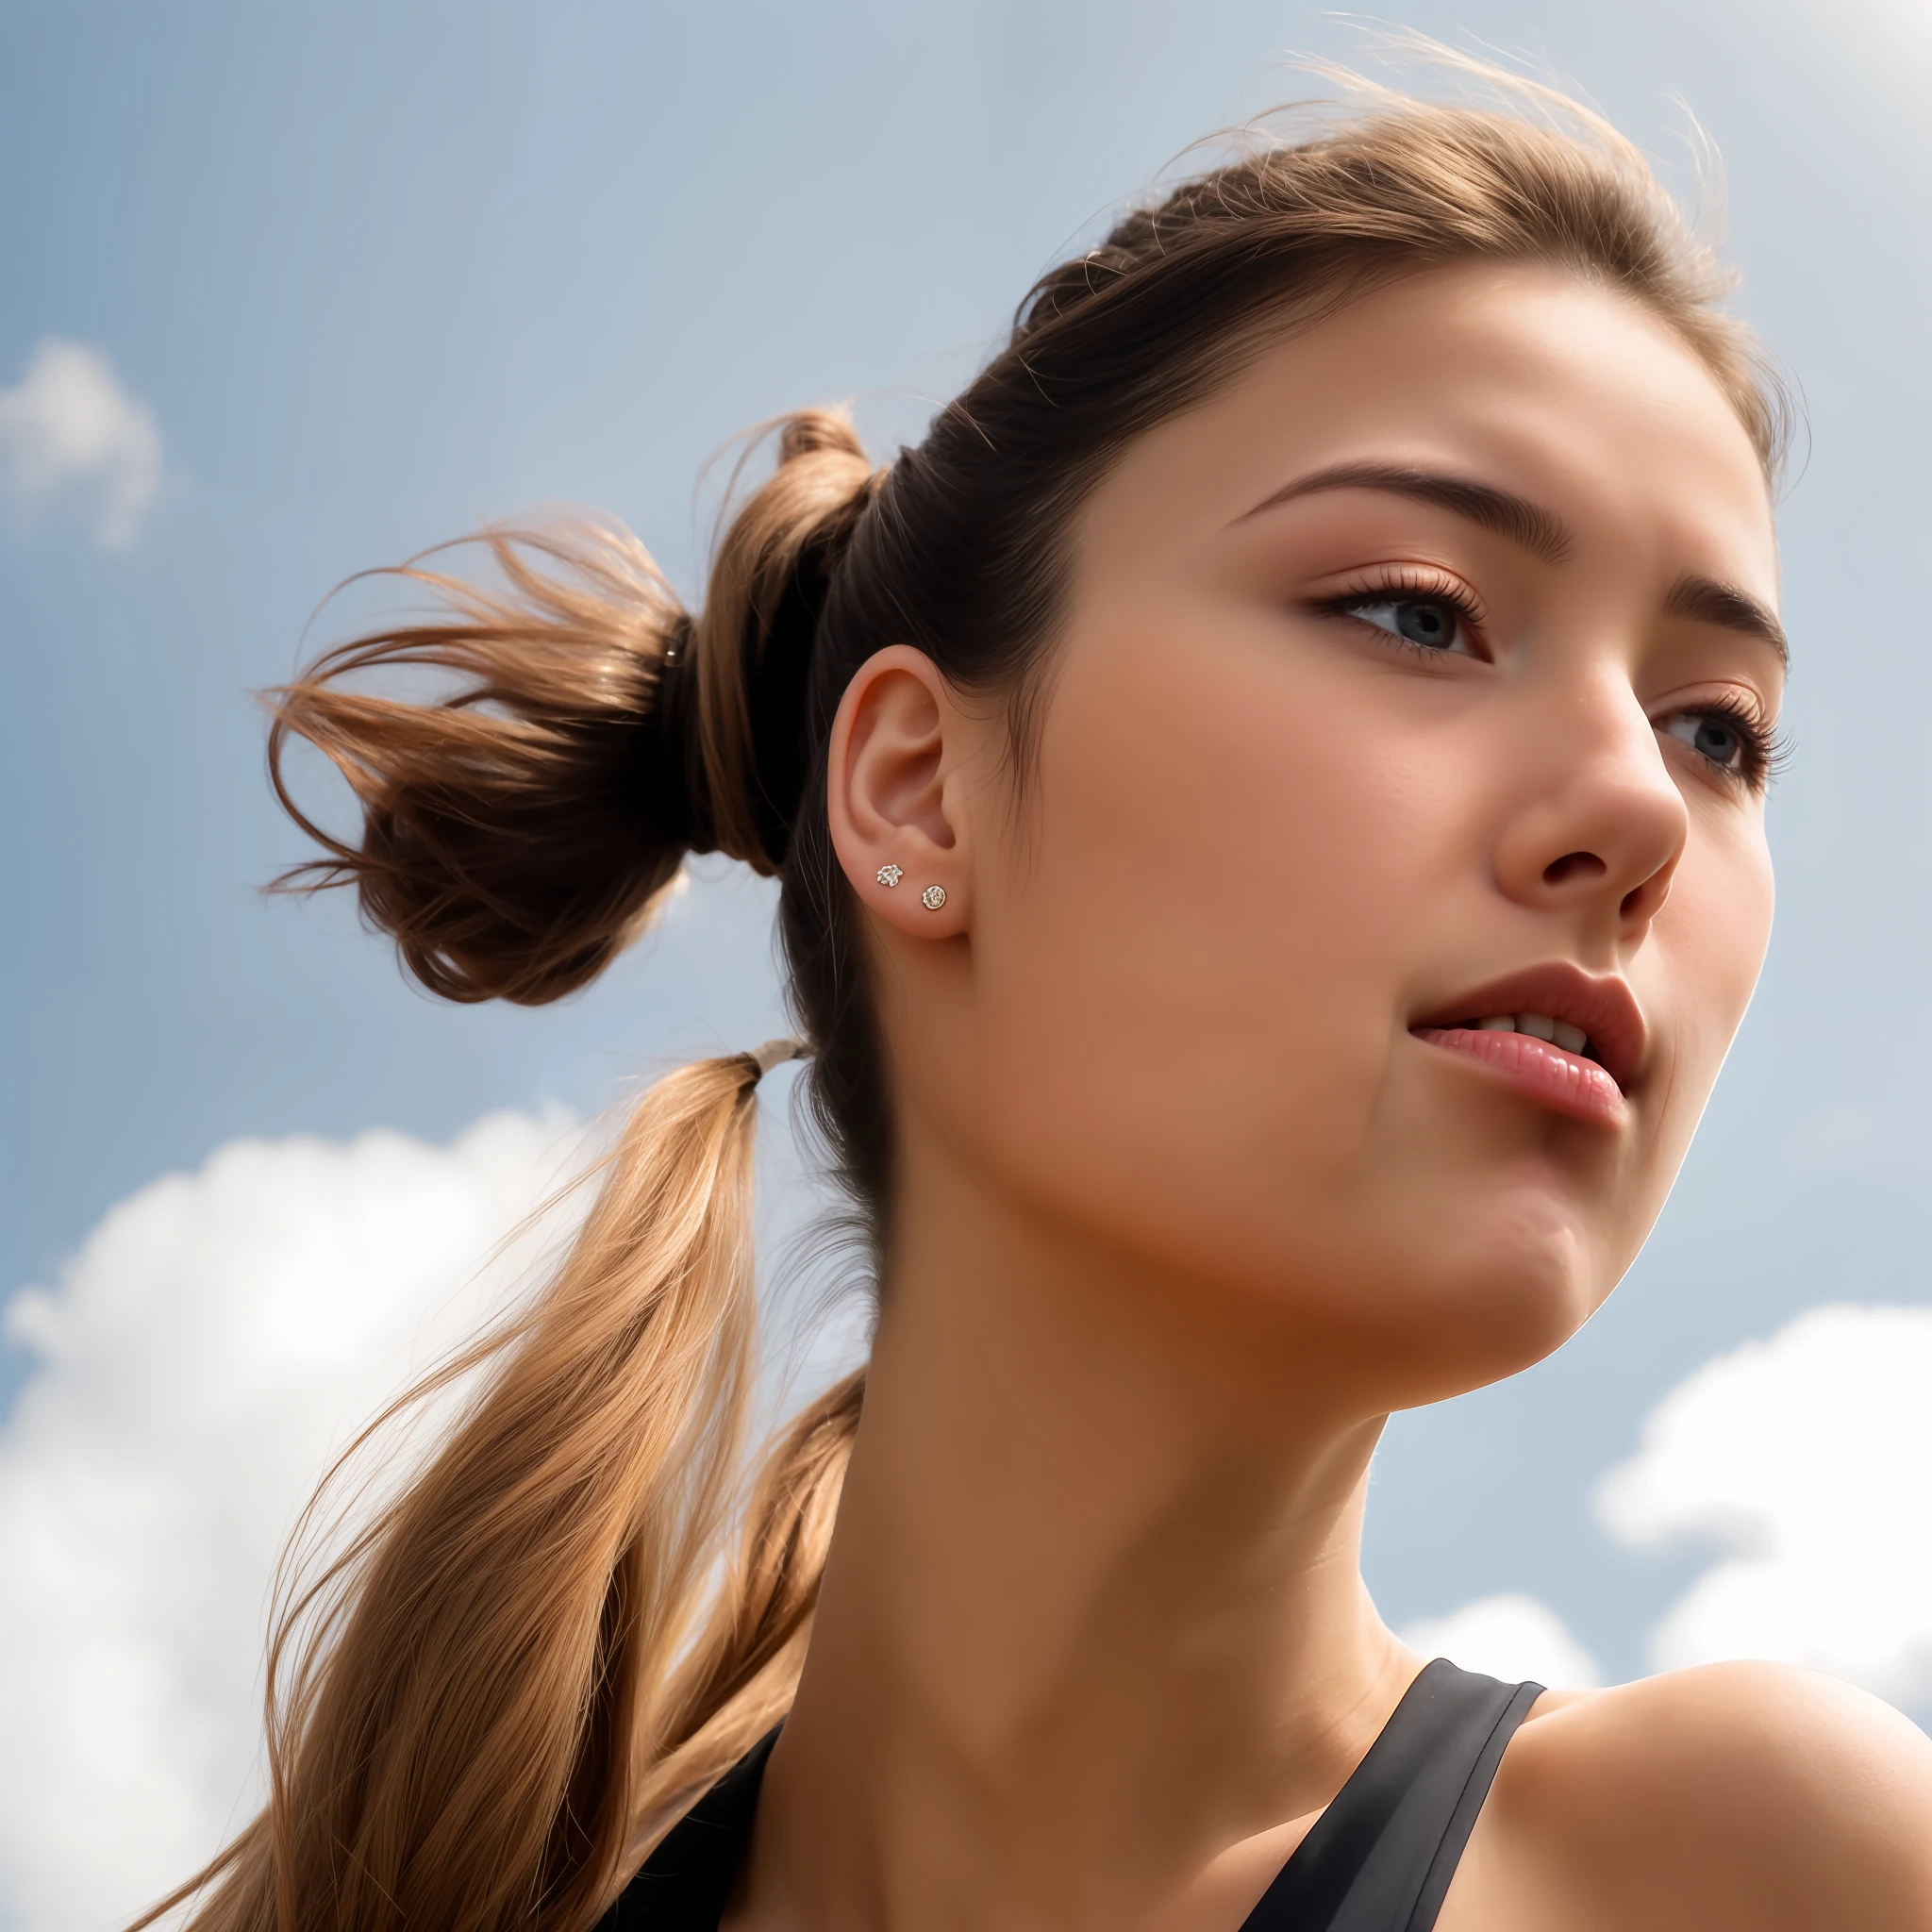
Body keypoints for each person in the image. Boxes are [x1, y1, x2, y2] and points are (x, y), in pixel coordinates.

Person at [154, 63, 1932, 1932]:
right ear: (919, 788)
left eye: (1715, 730)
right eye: (1419, 611)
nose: (1642, 810)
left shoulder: (1764, 1877)